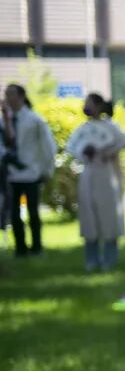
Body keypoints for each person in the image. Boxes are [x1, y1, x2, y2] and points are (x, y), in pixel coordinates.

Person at [67, 94, 125, 272]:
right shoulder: (83, 129)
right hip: (89, 173)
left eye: (89, 104)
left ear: (98, 106)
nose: (86, 107)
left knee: (108, 214)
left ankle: (110, 258)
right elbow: (74, 147)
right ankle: (92, 259)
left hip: (106, 173)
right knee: (89, 214)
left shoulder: (110, 127)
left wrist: (107, 152)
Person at [0, 83, 56, 257]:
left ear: (21, 96)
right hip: (12, 173)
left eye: (11, 94)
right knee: (14, 213)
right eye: (6, 94)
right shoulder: (4, 121)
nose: (8, 98)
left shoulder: (34, 120)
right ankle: (20, 248)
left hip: (32, 172)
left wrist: (47, 170)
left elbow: (48, 146)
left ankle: (37, 247)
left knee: (33, 211)